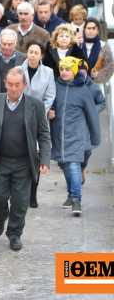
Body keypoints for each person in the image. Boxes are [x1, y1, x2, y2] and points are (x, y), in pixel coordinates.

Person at [0, 67, 51, 250]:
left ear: (24, 85)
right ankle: (1, 216)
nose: (14, 89)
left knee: (20, 200)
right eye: (10, 84)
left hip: (24, 161)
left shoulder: (36, 105)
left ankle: (15, 233)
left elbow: (44, 134)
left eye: (17, 85)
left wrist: (45, 159)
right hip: (1, 159)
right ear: (5, 84)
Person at [49, 57, 100, 216]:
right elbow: (50, 103)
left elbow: (92, 114)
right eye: (62, 69)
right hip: (59, 134)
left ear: (74, 71)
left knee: (73, 164)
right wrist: (49, 111)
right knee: (64, 164)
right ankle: (71, 195)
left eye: (67, 69)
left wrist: (95, 137)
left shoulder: (83, 90)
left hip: (76, 134)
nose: (64, 72)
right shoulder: (55, 86)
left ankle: (77, 199)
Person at [19, 40, 55, 207]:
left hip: (39, 120)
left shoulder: (48, 72)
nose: (32, 55)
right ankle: (20, 192)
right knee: (21, 156)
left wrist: (39, 112)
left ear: (42, 55)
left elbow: (50, 96)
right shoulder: (18, 71)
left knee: (36, 157)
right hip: (19, 117)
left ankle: (33, 194)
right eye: (30, 52)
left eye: (36, 52)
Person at [80, 17, 114, 85]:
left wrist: (97, 74)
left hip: (96, 85)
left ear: (98, 30)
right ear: (84, 29)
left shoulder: (104, 46)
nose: (91, 31)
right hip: (78, 83)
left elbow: (109, 66)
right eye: (89, 28)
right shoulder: (78, 45)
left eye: (93, 29)